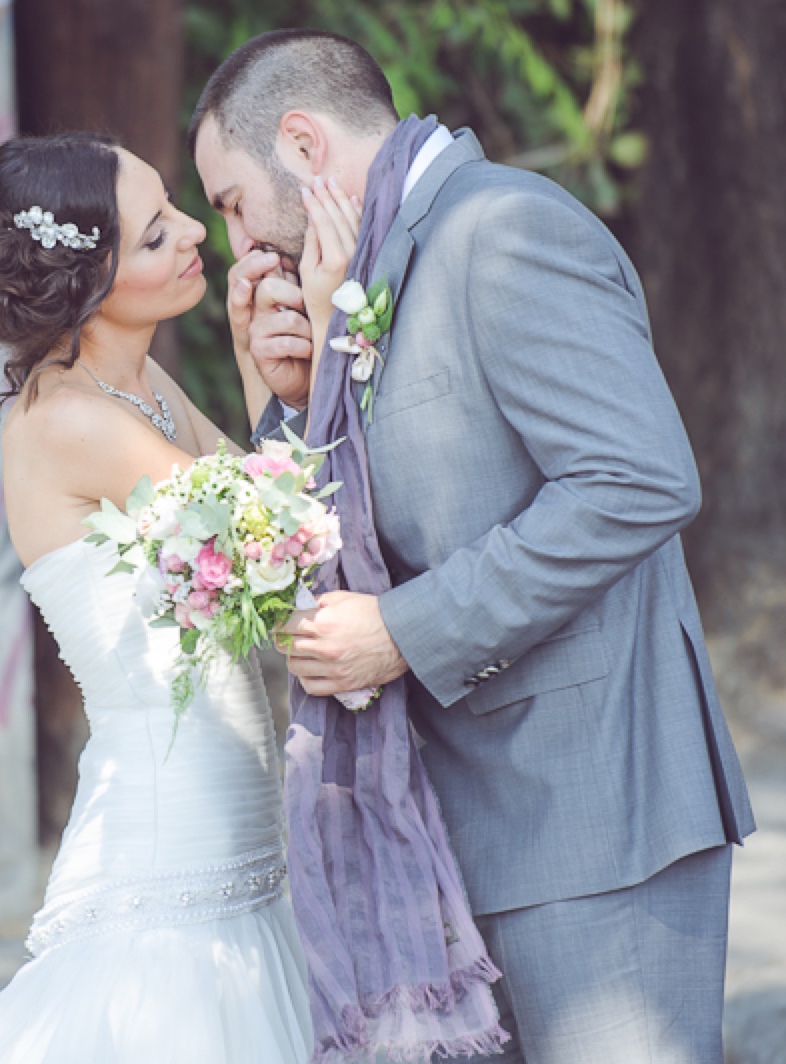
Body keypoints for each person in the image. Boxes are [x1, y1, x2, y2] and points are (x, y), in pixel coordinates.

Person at [191, 29, 756, 1064]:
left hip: (590, 816)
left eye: (231, 202)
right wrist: (280, 398)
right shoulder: (353, 271)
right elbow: (344, 535)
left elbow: (637, 478)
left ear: (303, 143)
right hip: (442, 824)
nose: (239, 243)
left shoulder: (501, 228)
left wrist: (404, 631)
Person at [0, 131, 358, 1063]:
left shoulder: (137, 388)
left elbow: (269, 507)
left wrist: (252, 352)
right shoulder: (71, 419)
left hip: (231, 820)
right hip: (167, 831)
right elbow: (290, 539)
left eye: (172, 208)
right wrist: (331, 312)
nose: (193, 231)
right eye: (155, 235)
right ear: (85, 283)